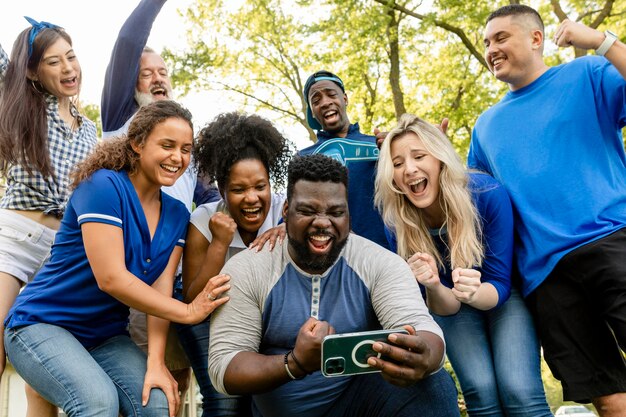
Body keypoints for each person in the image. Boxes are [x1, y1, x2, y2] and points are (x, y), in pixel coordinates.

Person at [3, 100, 231, 417]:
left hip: (104, 336)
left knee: (157, 403)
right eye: (167, 145)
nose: (177, 157)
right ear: (137, 143)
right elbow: (111, 278)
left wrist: (155, 363)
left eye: (185, 149)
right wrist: (189, 311)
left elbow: (161, 289)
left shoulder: (178, 213)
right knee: (98, 402)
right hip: (42, 324)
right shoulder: (102, 186)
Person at [207, 153, 460, 417]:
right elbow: (224, 367)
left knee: (434, 383)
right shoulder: (249, 268)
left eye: (336, 212)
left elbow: (422, 326)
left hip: (359, 406)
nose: (323, 222)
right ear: (286, 211)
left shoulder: (379, 262)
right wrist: (295, 363)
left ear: (348, 214)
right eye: (307, 211)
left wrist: (424, 355)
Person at [469, 4, 626, 415]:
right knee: (605, 391)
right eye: (486, 43)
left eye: (501, 38)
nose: (491, 49)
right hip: (547, 277)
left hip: (612, 242)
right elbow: (477, 198)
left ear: (536, 39)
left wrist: (601, 41)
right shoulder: (485, 126)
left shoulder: (586, 73)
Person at [375, 114, 552, 416]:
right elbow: (445, 308)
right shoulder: (398, 222)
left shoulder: (486, 194)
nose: (410, 169)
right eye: (398, 163)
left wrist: (474, 292)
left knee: (519, 391)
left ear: (440, 158)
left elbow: (500, 284)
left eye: (419, 156)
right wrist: (432, 284)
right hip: (451, 307)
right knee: (480, 391)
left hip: (502, 297)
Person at [101, 0, 218, 401]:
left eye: (162, 72)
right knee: (134, 384)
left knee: (175, 380)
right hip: (131, 269)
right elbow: (129, 40)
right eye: (145, 72)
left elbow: (212, 198)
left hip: (175, 272)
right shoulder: (121, 117)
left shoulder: (186, 147)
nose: (156, 78)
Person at [0, 17, 98, 417]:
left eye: (71, 57)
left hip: (61, 254)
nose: (68, 68)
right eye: (54, 62)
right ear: (32, 71)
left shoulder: (91, 131)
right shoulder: (20, 105)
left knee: (42, 374)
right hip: (17, 238)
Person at [178, 112, 292, 416]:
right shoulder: (204, 219)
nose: (252, 198)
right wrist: (219, 243)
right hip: (205, 314)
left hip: (256, 312)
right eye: (239, 190)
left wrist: (287, 228)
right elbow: (192, 297)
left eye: (260, 186)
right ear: (222, 190)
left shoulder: (285, 211)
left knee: (265, 392)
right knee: (225, 399)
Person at [299, 70, 389, 249]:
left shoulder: (378, 145)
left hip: (384, 254)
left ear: (345, 99)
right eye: (316, 101)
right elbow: (295, 213)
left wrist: (396, 153)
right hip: (330, 261)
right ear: (313, 112)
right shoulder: (304, 158)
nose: (325, 102)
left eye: (331, 94)